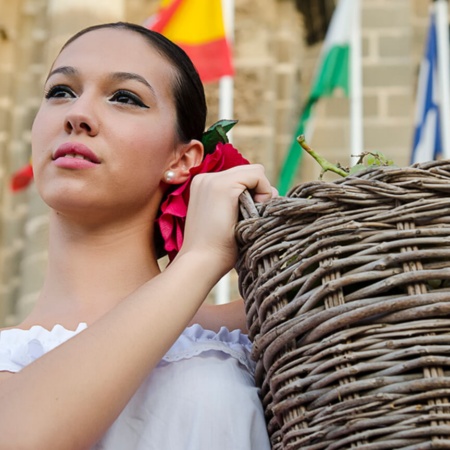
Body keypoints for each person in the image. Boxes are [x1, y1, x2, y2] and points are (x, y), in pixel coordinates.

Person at [0, 22, 275, 450]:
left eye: (124, 97)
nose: (77, 114)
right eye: (61, 91)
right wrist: (200, 259)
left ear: (184, 160)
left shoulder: (255, 326)